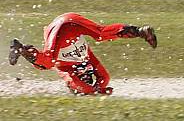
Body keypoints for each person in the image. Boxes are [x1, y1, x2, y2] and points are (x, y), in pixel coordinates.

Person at [8, 13, 157, 95]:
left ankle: (20, 48)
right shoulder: (86, 59)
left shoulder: (65, 70)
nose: (86, 76)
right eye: (88, 77)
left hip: (61, 27)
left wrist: (95, 90)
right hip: (70, 23)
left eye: (85, 78)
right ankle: (139, 32)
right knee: (100, 34)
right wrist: (99, 89)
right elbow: (103, 79)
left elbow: (84, 87)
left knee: (47, 63)